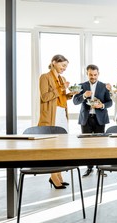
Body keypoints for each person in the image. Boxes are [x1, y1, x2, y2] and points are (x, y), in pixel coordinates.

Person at [38, 54, 78, 189]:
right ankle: (54, 176)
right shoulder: (45, 77)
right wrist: (61, 89)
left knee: (61, 145)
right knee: (51, 147)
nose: (64, 68)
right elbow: (44, 97)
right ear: (54, 62)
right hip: (51, 114)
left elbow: (61, 97)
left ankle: (57, 174)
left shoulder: (62, 79)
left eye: (66, 66)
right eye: (63, 65)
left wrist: (70, 95)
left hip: (61, 113)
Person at [73, 64, 113, 177]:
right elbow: (75, 101)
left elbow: (110, 102)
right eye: (91, 75)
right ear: (87, 74)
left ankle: (100, 168)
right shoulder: (81, 86)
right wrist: (84, 96)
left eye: (95, 75)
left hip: (100, 118)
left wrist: (102, 106)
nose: (93, 77)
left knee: (101, 144)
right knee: (87, 145)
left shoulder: (104, 86)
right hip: (86, 119)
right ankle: (89, 168)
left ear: (98, 74)